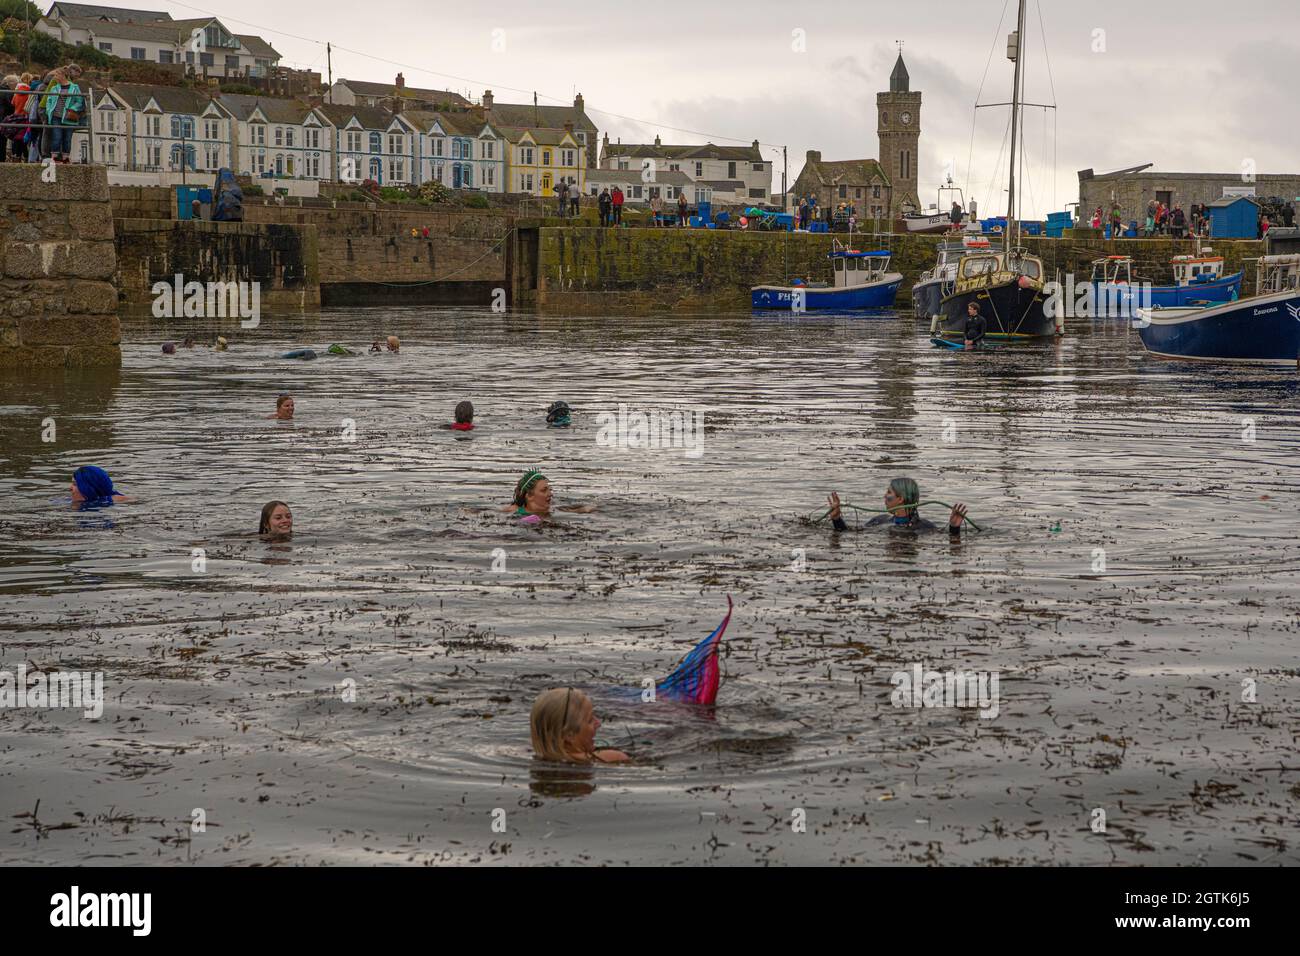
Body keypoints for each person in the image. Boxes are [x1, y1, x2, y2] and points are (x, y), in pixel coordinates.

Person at [825, 478, 966, 535]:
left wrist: (954, 528)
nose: (884, 497)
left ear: (900, 499)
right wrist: (837, 519)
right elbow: (846, 533)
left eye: (888, 492)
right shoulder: (879, 520)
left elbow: (951, 542)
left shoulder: (925, 527)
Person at [530, 688, 630, 764]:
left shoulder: (537, 756)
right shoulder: (613, 757)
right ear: (569, 735)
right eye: (590, 720)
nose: (598, 723)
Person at [504, 468, 595, 517]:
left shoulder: (553, 510)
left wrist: (584, 510)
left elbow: (573, 511)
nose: (550, 494)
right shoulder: (515, 510)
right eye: (544, 490)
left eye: (549, 489)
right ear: (529, 496)